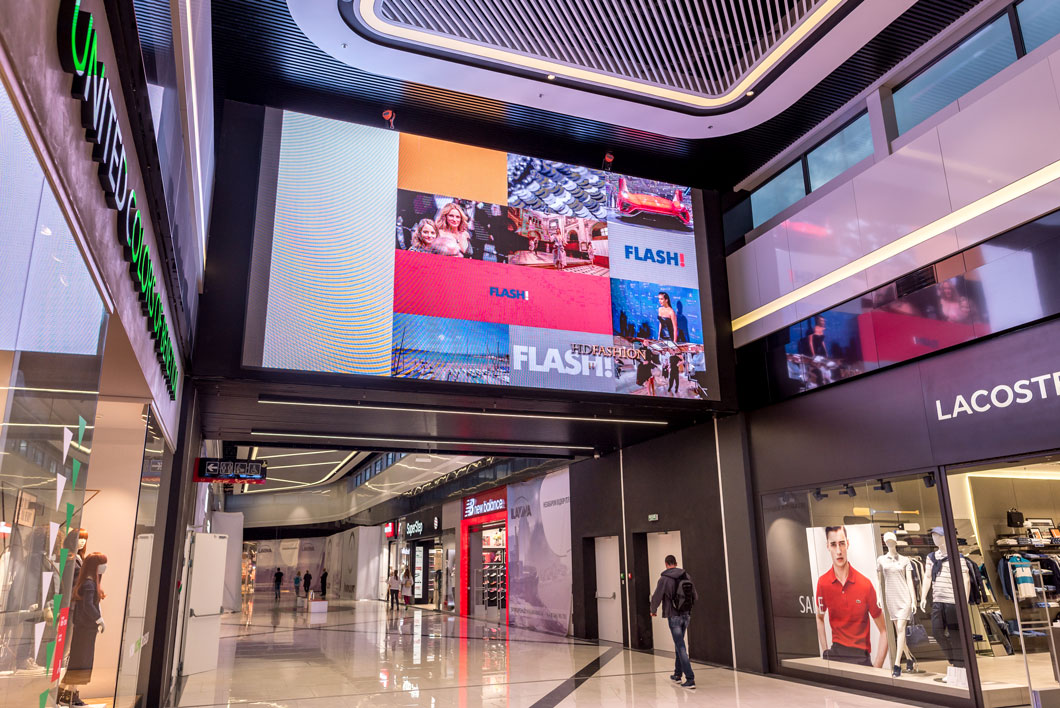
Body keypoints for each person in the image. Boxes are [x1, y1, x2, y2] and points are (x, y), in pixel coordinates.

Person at [815, 526, 889, 668]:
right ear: (827, 546)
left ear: (847, 544)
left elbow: (884, 630)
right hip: (836, 655)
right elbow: (819, 617)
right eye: (833, 544)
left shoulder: (865, 584)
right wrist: (824, 652)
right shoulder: (823, 583)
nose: (838, 551)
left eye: (842, 543)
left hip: (860, 657)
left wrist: (877, 668)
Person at [64, 552, 107, 706]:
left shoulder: (89, 582)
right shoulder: (89, 584)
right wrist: (99, 619)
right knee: (79, 661)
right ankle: (69, 695)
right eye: (102, 564)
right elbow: (88, 605)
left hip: (86, 628)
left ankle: (69, 693)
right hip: (85, 628)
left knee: (80, 661)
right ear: (95, 566)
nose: (105, 567)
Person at [650, 554, 697, 690]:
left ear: (666, 564)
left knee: (680, 646)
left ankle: (690, 679)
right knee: (679, 643)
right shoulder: (687, 576)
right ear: (676, 563)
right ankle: (677, 674)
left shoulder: (664, 579)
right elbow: (695, 596)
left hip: (673, 615)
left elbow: (656, 596)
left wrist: (653, 610)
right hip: (686, 615)